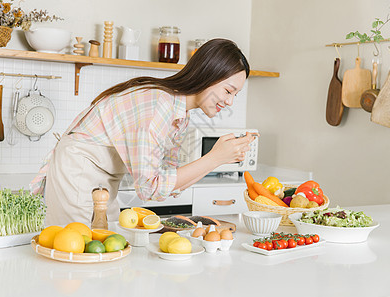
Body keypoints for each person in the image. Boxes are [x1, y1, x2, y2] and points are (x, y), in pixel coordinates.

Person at [30, 38, 257, 226]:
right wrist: (215, 157)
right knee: (74, 248)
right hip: (77, 170)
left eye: (235, 95)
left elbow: (169, 181)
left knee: (106, 245)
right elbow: (151, 188)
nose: (229, 102)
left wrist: (217, 160)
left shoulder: (179, 114)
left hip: (104, 177)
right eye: (229, 91)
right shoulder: (159, 105)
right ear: (208, 74)